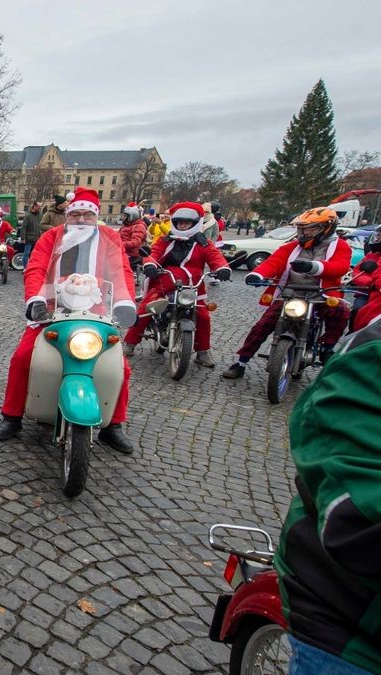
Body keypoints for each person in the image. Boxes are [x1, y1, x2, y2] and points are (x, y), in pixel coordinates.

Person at [0, 187, 137, 453]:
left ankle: (114, 424)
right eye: (76, 215)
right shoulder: (52, 237)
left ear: (96, 216)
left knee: (120, 367)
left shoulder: (109, 238)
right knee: (23, 357)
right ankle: (11, 416)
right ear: (68, 216)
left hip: (96, 313)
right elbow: (35, 267)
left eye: (87, 215)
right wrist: (36, 299)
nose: (81, 220)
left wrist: (124, 302)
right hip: (52, 310)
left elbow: (120, 270)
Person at [273, 318, 381, 674]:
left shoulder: (331, 259)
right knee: (264, 322)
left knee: (333, 317)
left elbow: (212, 256)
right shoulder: (373, 350)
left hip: (319, 297)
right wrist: (258, 272)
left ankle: (320, 347)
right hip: (354, 626)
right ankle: (243, 358)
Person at [223, 207, 352, 378]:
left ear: (326, 228)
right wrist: (257, 274)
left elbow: (340, 266)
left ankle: (327, 347)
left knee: (341, 311)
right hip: (291, 294)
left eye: (311, 228)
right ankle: (241, 362)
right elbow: (274, 262)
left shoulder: (340, 246)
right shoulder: (291, 247)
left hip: (322, 294)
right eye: (303, 229)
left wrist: (314, 267)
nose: (305, 232)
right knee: (263, 325)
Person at [122, 202, 232, 367]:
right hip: (164, 282)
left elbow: (216, 257)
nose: (182, 225)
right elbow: (154, 253)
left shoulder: (204, 243)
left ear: (195, 224)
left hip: (192, 288)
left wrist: (223, 268)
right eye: (180, 222)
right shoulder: (166, 240)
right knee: (146, 308)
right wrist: (150, 265)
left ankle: (202, 352)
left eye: (186, 223)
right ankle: (130, 343)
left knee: (203, 317)